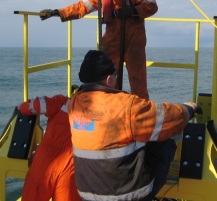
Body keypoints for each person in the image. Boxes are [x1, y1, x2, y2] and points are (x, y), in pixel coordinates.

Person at [68, 50, 199, 201]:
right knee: (166, 136)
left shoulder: (74, 103)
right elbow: (170, 118)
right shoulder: (125, 106)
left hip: (87, 194)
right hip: (127, 195)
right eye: (116, 76)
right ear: (109, 79)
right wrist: (189, 108)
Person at [40, 0, 158, 100]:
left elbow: (152, 5)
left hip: (134, 40)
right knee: (106, 80)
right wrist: (58, 12)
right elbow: (82, 6)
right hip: (112, 40)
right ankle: (108, 110)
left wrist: (133, 10)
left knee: (138, 82)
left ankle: (141, 113)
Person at [18, 94, 81, 201]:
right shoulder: (94, 113)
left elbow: (37, 105)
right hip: (70, 167)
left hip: (44, 162)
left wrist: (21, 107)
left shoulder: (62, 102)